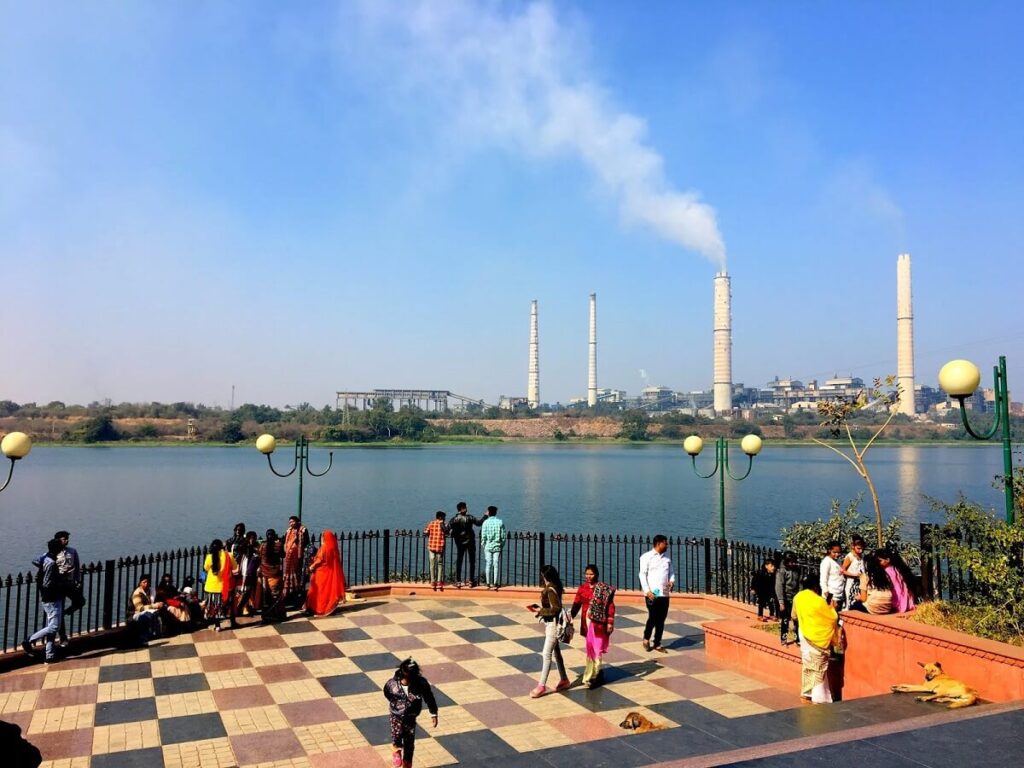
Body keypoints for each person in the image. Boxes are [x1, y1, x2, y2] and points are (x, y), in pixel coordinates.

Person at [792, 574, 840, 703]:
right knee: (819, 667)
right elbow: (832, 618)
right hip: (817, 638)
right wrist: (832, 608)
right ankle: (819, 698)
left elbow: (794, 615)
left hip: (803, 634)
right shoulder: (818, 601)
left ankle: (806, 693)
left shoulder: (798, 597)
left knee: (807, 664)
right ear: (815, 586)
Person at [383, 658, 438, 768]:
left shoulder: (421, 683)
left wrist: (434, 713)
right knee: (396, 735)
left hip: (411, 717)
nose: (411, 678)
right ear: (403, 672)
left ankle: (407, 764)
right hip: (396, 716)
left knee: (409, 744)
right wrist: (397, 705)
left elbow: (429, 697)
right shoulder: (392, 684)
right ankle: (396, 751)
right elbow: (387, 694)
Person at [527, 565, 571, 697]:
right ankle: (564, 679)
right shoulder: (555, 586)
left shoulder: (550, 590)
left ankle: (541, 686)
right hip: (551, 624)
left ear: (544, 576)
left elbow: (556, 608)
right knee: (556, 653)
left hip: (553, 625)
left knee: (546, 654)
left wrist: (539, 610)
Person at [570, 564, 615, 688]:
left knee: (597, 650)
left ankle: (595, 676)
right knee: (591, 650)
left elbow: (610, 606)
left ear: (596, 575)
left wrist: (610, 622)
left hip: (599, 625)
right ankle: (595, 674)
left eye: (591, 574)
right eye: (587, 574)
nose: (589, 576)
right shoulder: (582, 588)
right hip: (587, 623)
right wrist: (569, 617)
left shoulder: (603, 589)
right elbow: (576, 605)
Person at [23, 539, 65, 663]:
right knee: (54, 627)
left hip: (47, 597)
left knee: (51, 626)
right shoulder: (51, 563)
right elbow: (47, 583)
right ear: (58, 550)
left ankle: (50, 655)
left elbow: (35, 560)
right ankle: (29, 640)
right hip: (52, 597)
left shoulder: (44, 557)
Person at [639, 534, 674, 653]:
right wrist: (647, 590)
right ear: (659, 544)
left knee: (661, 619)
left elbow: (671, 573)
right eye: (665, 543)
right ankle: (646, 638)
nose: (667, 545)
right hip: (652, 593)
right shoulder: (646, 557)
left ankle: (657, 642)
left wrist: (671, 581)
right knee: (653, 616)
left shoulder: (667, 559)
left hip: (664, 594)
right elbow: (642, 574)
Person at [305, 530, 347, 616]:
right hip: (329, 571)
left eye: (322, 537)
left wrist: (311, 566)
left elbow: (320, 560)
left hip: (321, 572)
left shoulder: (324, 548)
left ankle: (319, 608)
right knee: (327, 590)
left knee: (319, 591)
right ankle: (327, 606)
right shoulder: (334, 548)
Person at [53, 531, 84, 647]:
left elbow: (77, 566)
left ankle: (68, 611)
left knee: (81, 601)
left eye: (67, 538)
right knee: (59, 612)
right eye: (63, 538)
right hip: (59, 585)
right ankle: (62, 637)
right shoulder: (53, 553)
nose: (66, 540)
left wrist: (78, 581)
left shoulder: (72, 551)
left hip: (70, 584)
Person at [203, 539, 237, 630]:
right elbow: (235, 567)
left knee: (214, 607)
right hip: (224, 586)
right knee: (228, 604)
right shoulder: (228, 555)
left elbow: (206, 568)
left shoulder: (209, 557)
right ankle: (232, 622)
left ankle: (217, 625)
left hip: (211, 586)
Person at [448, 502, 482, 587]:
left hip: (459, 542)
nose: (466, 508)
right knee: (472, 561)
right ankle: (471, 581)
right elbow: (479, 523)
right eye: (465, 507)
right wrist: (485, 516)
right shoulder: (470, 517)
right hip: (470, 541)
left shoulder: (454, 519)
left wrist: (440, 524)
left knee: (459, 561)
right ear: (462, 509)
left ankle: (458, 581)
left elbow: (447, 528)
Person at [879, 548, 918, 613]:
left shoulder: (887, 571)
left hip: (897, 603)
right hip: (908, 602)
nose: (879, 563)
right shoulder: (898, 569)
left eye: (880, 561)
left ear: (888, 560)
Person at [129, 573, 165, 643]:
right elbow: (140, 608)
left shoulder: (151, 591)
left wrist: (160, 604)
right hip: (135, 613)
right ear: (140, 583)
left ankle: (159, 633)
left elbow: (155, 600)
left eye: (147, 582)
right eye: (144, 582)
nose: (146, 584)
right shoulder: (137, 593)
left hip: (149, 610)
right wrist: (155, 606)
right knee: (146, 616)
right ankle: (144, 637)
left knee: (162, 611)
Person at [260, 529, 286, 622]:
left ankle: (268, 614)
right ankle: (278, 614)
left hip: (264, 573)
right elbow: (283, 555)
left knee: (266, 595)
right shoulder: (279, 545)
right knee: (276, 595)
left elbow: (260, 555)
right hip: (275, 574)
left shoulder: (263, 545)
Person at [283, 516, 310, 605]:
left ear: (297, 522)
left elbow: (306, 543)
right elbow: (285, 542)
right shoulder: (288, 531)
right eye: (290, 522)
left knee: (299, 577)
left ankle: (297, 596)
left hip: (299, 557)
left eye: (293, 522)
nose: (291, 523)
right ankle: (288, 595)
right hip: (289, 557)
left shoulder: (303, 530)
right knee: (288, 576)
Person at [775, 551, 801, 646]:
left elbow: (800, 583)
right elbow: (779, 586)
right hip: (786, 598)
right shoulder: (782, 571)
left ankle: (797, 638)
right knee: (785, 620)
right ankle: (783, 639)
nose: (792, 564)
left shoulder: (797, 570)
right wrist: (781, 602)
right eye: (790, 562)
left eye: (794, 562)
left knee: (796, 620)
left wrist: (800, 596)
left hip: (795, 598)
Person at [236, 530, 262, 617]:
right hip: (245, 571)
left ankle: (250, 606)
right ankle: (242, 607)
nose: (252, 540)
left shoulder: (257, 547)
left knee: (251, 589)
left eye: (253, 538)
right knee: (245, 590)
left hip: (253, 571)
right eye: (250, 538)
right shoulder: (245, 546)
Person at [479, 506, 506, 590]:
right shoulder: (500, 522)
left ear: (489, 513)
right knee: (496, 564)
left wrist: (484, 544)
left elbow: (483, 536)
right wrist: (501, 545)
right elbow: (503, 536)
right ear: (496, 512)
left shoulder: (485, 522)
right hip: (497, 545)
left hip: (488, 546)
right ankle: (495, 583)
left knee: (488, 564)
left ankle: (487, 583)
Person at [424, 511, 448, 591]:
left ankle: (432, 581)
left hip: (431, 546)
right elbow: (447, 532)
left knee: (432, 565)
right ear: (441, 517)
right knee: (440, 564)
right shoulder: (444, 525)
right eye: (444, 517)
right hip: (440, 547)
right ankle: (439, 581)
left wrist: (429, 534)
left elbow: (426, 532)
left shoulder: (431, 523)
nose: (445, 519)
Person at [840, 535, 865, 608]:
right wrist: (854, 575)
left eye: (862, 549)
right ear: (853, 547)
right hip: (851, 583)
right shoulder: (850, 557)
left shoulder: (861, 556)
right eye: (858, 548)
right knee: (850, 603)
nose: (861, 550)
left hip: (860, 583)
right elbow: (842, 571)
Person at [819, 541, 845, 611]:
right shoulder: (826, 562)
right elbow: (823, 580)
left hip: (840, 595)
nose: (837, 554)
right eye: (834, 552)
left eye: (838, 552)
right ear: (829, 550)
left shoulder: (838, 561)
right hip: (831, 596)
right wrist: (829, 597)